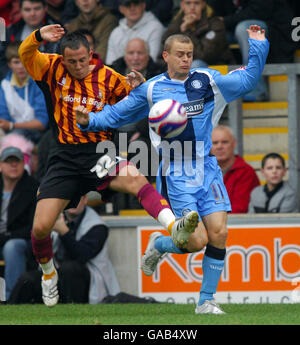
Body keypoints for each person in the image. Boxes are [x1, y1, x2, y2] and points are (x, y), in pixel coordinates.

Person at [76, 26, 269, 314]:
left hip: (208, 168)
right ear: (165, 56)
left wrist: (258, 46)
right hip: (176, 172)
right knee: (196, 241)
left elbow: (248, 80)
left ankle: (206, 302)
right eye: (179, 54)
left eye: (190, 54)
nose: (186, 59)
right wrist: (89, 120)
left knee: (219, 234)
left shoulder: (208, 81)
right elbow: (120, 113)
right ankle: (161, 244)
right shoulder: (151, 88)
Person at [18, 25, 199, 307]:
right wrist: (39, 35)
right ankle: (48, 274)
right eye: (72, 62)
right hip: (64, 158)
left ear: (91, 54)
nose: (78, 66)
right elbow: (23, 52)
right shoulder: (50, 68)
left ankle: (173, 225)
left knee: (136, 180)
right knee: (40, 228)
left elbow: (140, 104)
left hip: (99, 152)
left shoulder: (109, 78)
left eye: (83, 60)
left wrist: (139, 86)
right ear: (62, 58)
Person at [8, 195, 120, 304]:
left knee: (69, 269)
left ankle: (71, 315)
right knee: (28, 279)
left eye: (78, 198)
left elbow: (82, 255)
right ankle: (9, 314)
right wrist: (43, 231)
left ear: (85, 200)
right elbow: (35, 251)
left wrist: (64, 232)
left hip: (87, 283)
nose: (74, 202)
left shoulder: (98, 226)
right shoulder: (55, 217)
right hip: (57, 276)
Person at [0, 146, 39, 301]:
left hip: (23, 241)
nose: (13, 165)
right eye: (9, 162)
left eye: (17, 161)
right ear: (1, 165)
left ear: (24, 164)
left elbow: (34, 226)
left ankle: (13, 298)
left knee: (12, 247)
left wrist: (7, 236)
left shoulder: (33, 188)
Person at [159, 0, 235, 68]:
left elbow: (204, 56)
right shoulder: (176, 23)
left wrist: (187, 31)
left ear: (203, 4)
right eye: (188, 3)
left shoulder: (216, 24)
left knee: (195, 64)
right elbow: (163, 52)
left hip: (216, 68)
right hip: (184, 67)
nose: (192, 7)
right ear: (182, 5)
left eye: (197, 3)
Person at [0, 41, 48, 144]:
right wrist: (8, 126)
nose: (21, 66)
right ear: (9, 64)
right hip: (12, 133)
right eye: (16, 62)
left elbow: (41, 123)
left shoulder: (39, 83)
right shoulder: (4, 85)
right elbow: (4, 118)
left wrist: (12, 125)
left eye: (24, 61)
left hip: (37, 135)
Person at [0, 0, 60, 81]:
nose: (32, 14)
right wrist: (10, 80)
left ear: (45, 8)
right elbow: (2, 59)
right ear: (20, 10)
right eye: (27, 10)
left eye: (37, 8)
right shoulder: (10, 31)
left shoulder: (58, 31)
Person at [211, 125, 260, 213]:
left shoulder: (246, 172)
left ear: (234, 144)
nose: (219, 146)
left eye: (225, 142)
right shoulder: (202, 172)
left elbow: (239, 209)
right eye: (215, 143)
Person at [105, 0, 165, 65]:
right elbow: (110, 64)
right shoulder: (115, 32)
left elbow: (151, 61)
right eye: (127, 5)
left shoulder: (156, 27)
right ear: (121, 9)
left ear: (143, 5)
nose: (132, 8)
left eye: (136, 3)